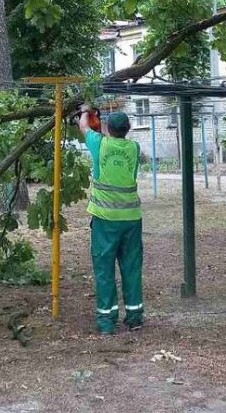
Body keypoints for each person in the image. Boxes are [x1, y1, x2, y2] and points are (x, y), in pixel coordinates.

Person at [79, 105, 144, 334]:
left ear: (107, 128)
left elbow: (84, 126)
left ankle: (107, 322)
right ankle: (135, 317)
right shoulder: (135, 148)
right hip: (131, 220)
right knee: (131, 268)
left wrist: (86, 110)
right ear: (129, 129)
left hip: (105, 221)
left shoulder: (100, 144)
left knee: (105, 269)